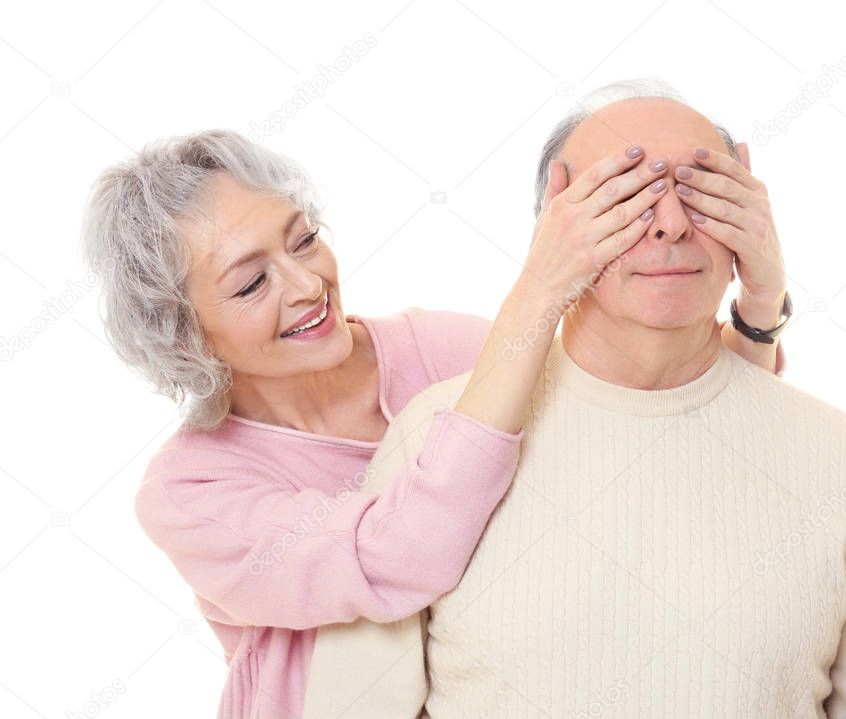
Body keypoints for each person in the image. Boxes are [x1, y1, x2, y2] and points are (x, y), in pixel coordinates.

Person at [80, 116, 787, 719]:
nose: (305, 286)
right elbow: (398, 557)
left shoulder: (449, 349)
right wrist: (541, 288)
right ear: (181, 332)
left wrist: (758, 306)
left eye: (302, 240)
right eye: (250, 282)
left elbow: (660, 444)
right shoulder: (190, 494)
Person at [302, 81, 846, 718]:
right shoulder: (434, 438)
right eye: (627, 195)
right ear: (557, 225)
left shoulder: (838, 455)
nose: (669, 224)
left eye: (701, 192)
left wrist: (763, 303)